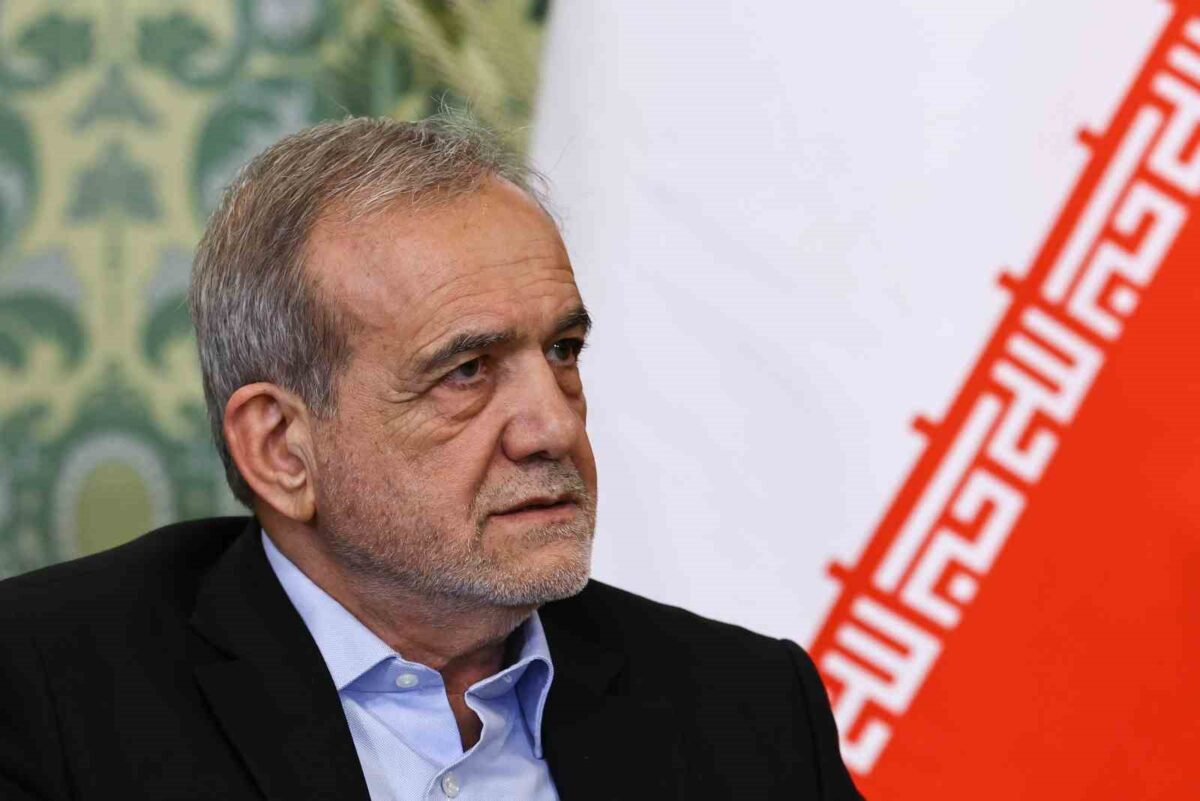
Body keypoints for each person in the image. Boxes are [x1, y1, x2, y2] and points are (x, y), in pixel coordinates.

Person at [0, 115, 862, 800]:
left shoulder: (749, 708)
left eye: (562, 351)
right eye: (467, 371)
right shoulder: (45, 694)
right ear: (281, 447)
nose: (551, 427)